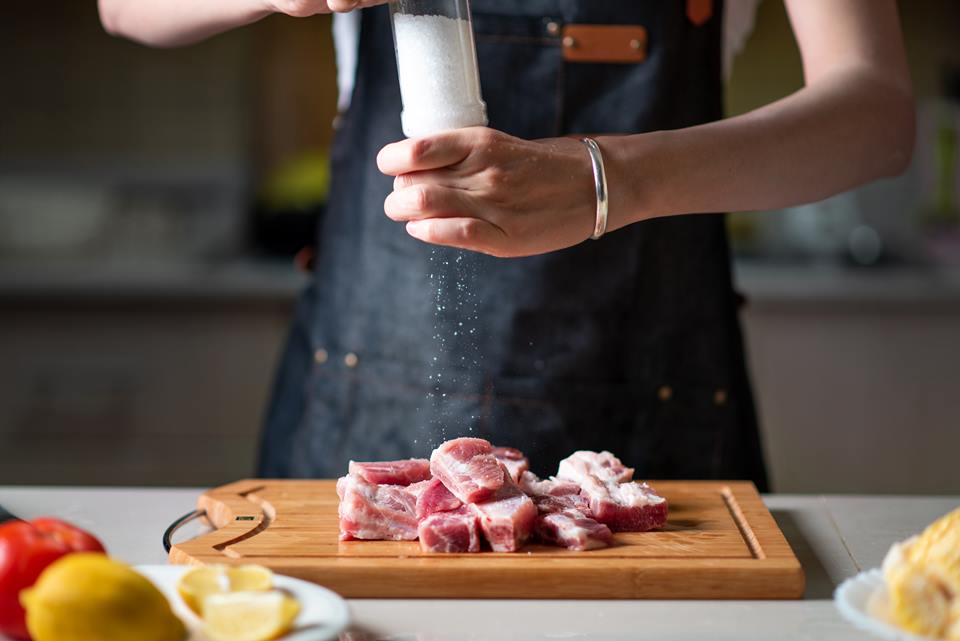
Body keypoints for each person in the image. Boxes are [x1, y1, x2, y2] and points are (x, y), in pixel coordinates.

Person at [99, 0, 914, 489]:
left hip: (656, 414)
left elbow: (875, 114)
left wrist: (609, 179)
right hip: (369, 403)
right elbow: (124, 9)